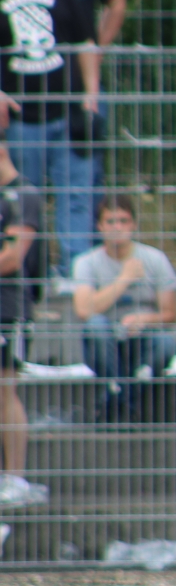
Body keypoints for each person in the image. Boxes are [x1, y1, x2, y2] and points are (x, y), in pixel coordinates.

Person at [0, 0, 100, 279]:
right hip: (20, 117)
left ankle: (75, 275)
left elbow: (85, 41)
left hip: (67, 111)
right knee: (23, 199)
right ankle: (29, 276)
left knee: (76, 196)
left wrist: (91, 95)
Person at [72, 195, 176, 422]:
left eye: (123, 221)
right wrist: (124, 279)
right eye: (110, 221)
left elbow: (171, 314)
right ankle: (127, 401)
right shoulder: (86, 262)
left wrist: (145, 319)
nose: (117, 227)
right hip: (104, 344)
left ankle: (118, 397)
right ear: (100, 226)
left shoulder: (155, 259)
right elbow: (84, 310)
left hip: (142, 341)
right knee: (95, 325)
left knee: (167, 343)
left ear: (133, 225)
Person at [0, 142, 46, 508]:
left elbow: (13, 257)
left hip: (8, 308)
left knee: (5, 390)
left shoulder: (23, 195)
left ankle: (15, 477)